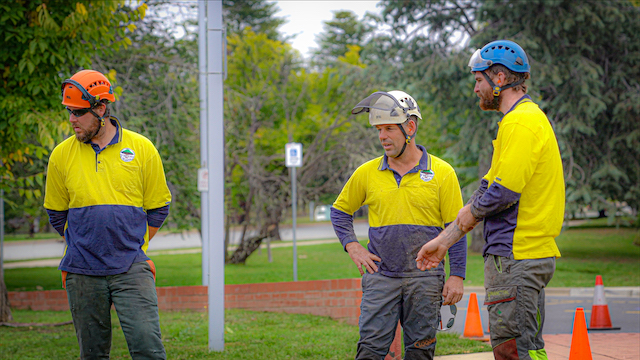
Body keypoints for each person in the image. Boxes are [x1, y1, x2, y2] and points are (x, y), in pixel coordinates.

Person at [416, 40, 564, 360]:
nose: (475, 89)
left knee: (512, 350)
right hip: (519, 256)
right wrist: (444, 241)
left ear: (499, 80)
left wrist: (469, 216)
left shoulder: (521, 122)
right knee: (525, 348)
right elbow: (488, 187)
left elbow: (502, 193)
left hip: (516, 256)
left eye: (478, 80)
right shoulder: (515, 122)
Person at [44, 69, 172, 359]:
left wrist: (130, 243)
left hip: (132, 268)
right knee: (92, 355)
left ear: (100, 108)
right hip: (81, 271)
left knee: (149, 350)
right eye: (69, 111)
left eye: (78, 112)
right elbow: (56, 213)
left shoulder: (142, 148)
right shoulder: (61, 155)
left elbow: (158, 207)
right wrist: (86, 241)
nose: (71, 119)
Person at [331, 90, 468, 359]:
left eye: (389, 129)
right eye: (379, 129)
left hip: (426, 279)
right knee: (369, 350)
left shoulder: (442, 172)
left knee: (420, 352)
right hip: (381, 277)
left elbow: (457, 228)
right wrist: (352, 247)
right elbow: (339, 212)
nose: (382, 136)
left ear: (410, 127)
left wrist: (456, 276)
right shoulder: (367, 172)